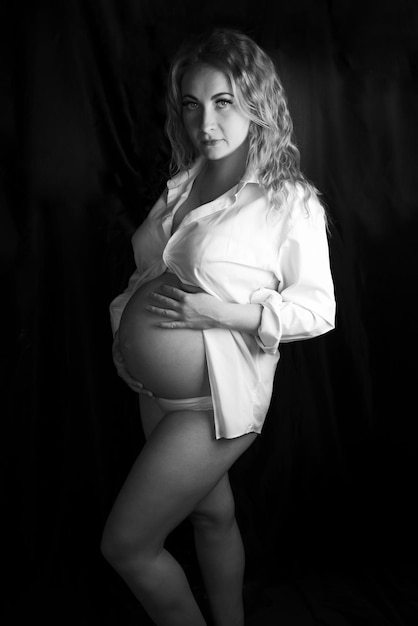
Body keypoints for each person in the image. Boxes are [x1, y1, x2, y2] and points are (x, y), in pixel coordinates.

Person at [101, 28, 336, 626]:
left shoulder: (288, 201)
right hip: (156, 391)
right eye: (192, 103)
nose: (205, 121)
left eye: (223, 101)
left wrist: (221, 313)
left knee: (127, 547)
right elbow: (154, 272)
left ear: (255, 102)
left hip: (215, 401)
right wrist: (130, 330)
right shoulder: (183, 184)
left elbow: (318, 311)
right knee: (213, 516)